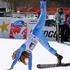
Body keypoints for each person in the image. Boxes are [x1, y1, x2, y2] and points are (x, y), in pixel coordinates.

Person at [8, 0, 63, 70]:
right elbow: (30, 64)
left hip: (37, 30)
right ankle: (58, 56)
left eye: (18, 55)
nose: (19, 55)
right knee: (48, 47)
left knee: (43, 14)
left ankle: (43, 1)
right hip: (39, 37)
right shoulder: (29, 52)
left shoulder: (23, 47)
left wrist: (11, 67)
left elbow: (17, 58)